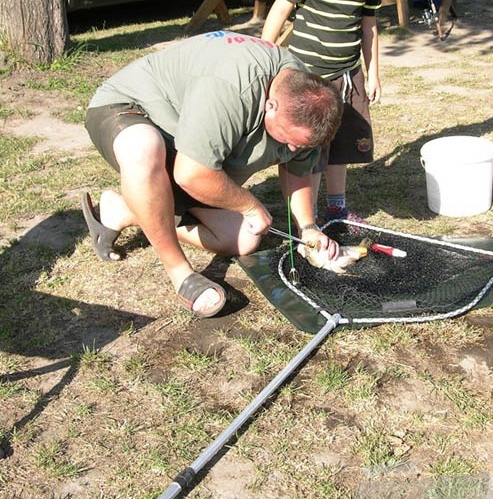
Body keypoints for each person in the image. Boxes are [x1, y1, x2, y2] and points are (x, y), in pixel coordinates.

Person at [82, 31, 343, 318]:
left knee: (243, 238)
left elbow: (298, 170)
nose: (292, 148)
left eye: (301, 145)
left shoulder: (309, 102)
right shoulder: (231, 87)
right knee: (143, 146)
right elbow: (191, 174)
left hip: (188, 150)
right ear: (271, 105)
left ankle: (126, 210)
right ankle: (181, 274)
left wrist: (308, 227)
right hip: (131, 109)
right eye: (289, 141)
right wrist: (249, 205)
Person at [262, 0, 387, 225]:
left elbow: (369, 27)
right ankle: (309, 216)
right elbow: (282, 9)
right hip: (309, 75)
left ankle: (336, 206)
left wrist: (372, 73)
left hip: (347, 76)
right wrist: (264, 51)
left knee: (342, 145)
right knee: (311, 150)